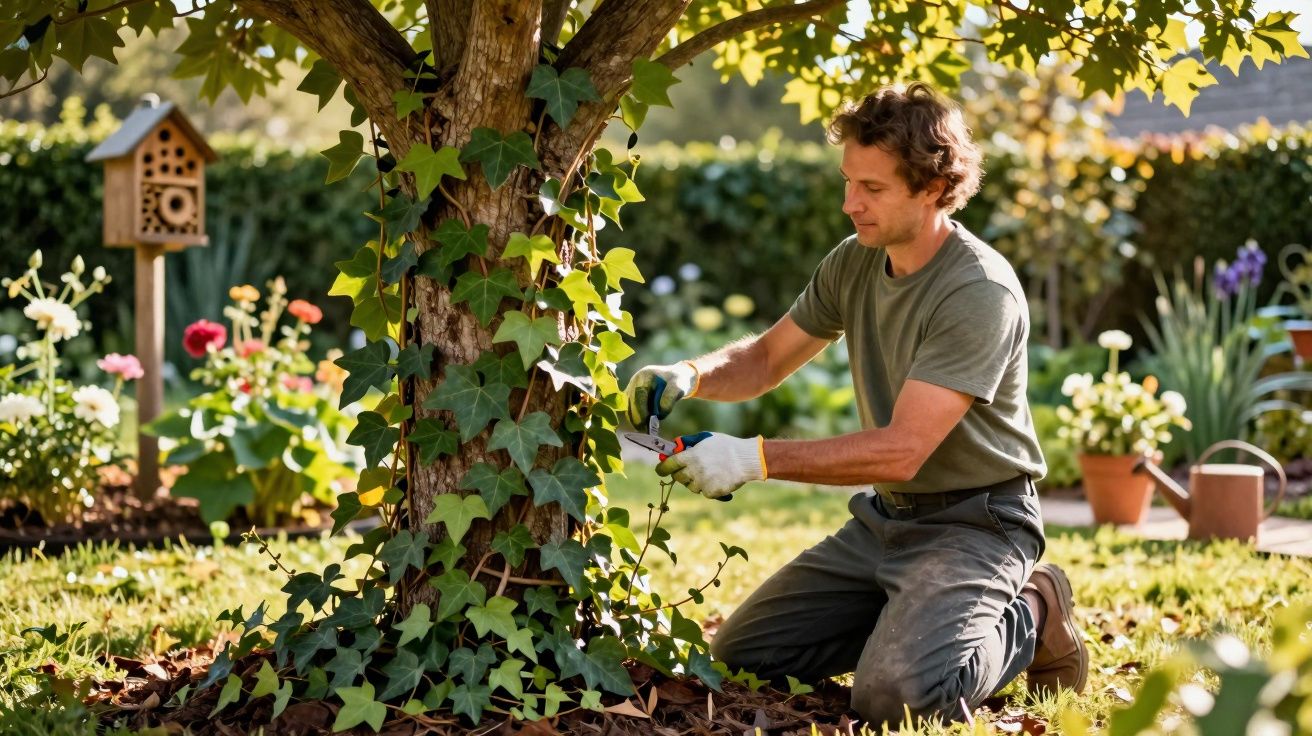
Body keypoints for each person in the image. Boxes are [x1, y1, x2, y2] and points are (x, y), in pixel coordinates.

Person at [622, 82, 1088, 728]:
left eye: (871, 188)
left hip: (977, 524)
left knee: (898, 698)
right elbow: (765, 359)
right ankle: (912, 617)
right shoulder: (855, 262)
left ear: (933, 188)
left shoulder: (978, 291)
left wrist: (753, 459)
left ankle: (1035, 609)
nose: (850, 204)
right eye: (848, 182)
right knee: (743, 658)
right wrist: (690, 373)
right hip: (885, 521)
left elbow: (902, 450)